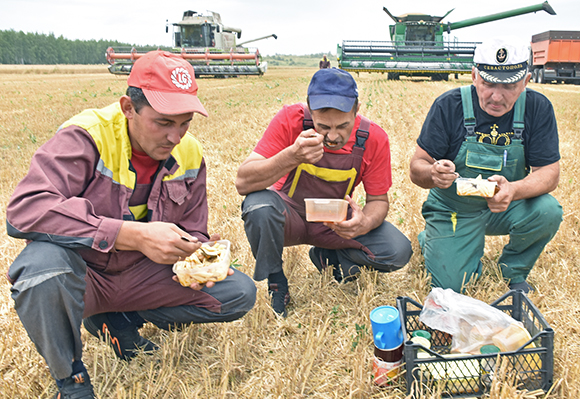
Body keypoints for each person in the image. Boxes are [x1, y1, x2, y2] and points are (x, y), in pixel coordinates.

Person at [6, 50, 256, 398]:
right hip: (84, 274)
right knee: (41, 271)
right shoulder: (87, 137)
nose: (176, 136)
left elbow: (193, 228)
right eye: (164, 122)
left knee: (236, 294)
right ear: (128, 108)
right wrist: (131, 234)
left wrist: (198, 256)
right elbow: (26, 209)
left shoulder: (190, 154)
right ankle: (71, 379)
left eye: (185, 123)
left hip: (141, 275)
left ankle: (116, 320)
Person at [236, 68, 413, 317]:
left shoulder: (373, 138)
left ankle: (329, 258)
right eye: (323, 126)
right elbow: (243, 182)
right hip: (289, 218)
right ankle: (277, 282)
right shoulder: (290, 119)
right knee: (258, 206)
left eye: (342, 126)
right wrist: (292, 156)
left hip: (333, 223)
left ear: (357, 109)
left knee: (397, 250)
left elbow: (378, 201)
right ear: (309, 109)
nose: (331, 136)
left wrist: (364, 222)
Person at [409, 36, 562, 294]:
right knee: (453, 286)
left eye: (509, 86)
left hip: (504, 206)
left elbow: (550, 173)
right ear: (474, 76)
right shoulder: (449, 106)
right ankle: (434, 239)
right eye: (488, 83)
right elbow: (417, 167)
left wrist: (513, 190)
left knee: (548, 210)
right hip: (454, 208)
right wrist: (433, 173)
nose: (496, 96)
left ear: (525, 81)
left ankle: (513, 270)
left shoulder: (537, 108)